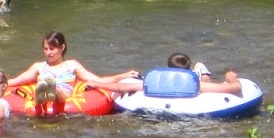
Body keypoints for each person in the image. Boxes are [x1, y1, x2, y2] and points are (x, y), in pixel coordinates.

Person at [3, 32, 139, 110]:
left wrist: (124, 75)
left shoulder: (72, 65)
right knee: (44, 88)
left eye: (52, 49)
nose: (48, 53)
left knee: (54, 90)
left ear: (62, 48)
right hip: (42, 97)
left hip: (63, 97)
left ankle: (50, 90)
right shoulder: (39, 67)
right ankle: (42, 96)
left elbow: (98, 80)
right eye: (45, 49)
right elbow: (15, 81)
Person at [105, 52, 246, 96]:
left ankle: (201, 70)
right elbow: (235, 88)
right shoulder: (197, 85)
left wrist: (95, 83)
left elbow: (123, 88)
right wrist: (231, 78)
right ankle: (201, 71)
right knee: (201, 67)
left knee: (200, 69)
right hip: (199, 81)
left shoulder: (156, 83)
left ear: (167, 68)